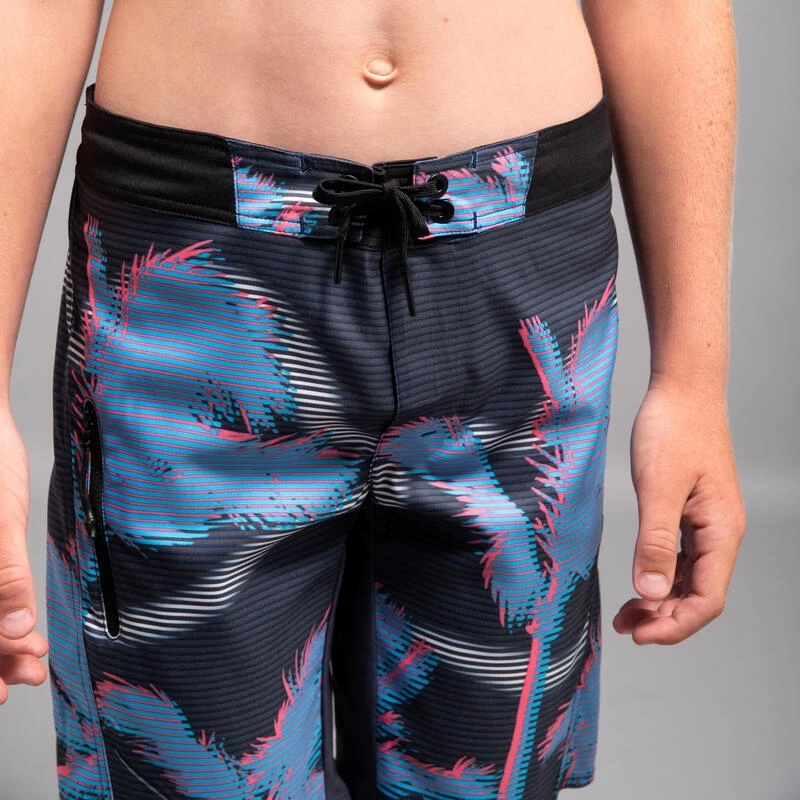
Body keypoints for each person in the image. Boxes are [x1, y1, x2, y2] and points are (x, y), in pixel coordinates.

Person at [0, 1, 746, 798]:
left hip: (525, 284)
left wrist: (692, 384)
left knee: (481, 771)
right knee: (192, 768)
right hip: (197, 280)